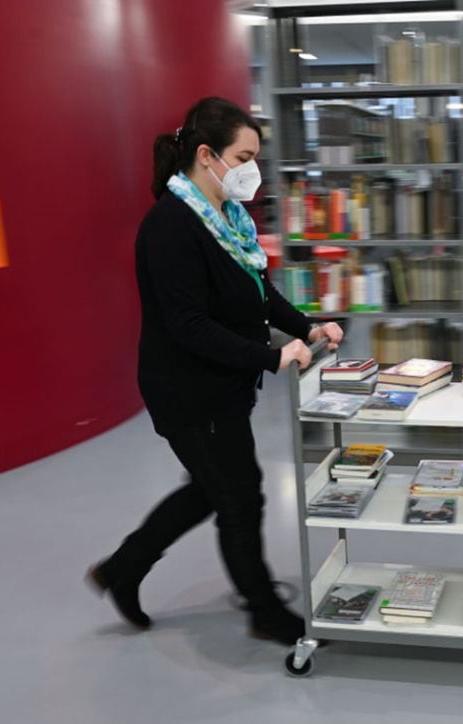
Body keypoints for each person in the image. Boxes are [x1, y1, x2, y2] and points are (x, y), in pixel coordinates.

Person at [86, 97, 342, 646]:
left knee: (211, 488)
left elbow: (258, 290)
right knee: (240, 496)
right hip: (188, 390)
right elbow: (189, 326)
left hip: (220, 385)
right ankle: (264, 611)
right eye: (244, 155)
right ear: (208, 155)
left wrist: (307, 327)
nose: (253, 169)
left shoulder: (226, 215)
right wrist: (272, 357)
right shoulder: (171, 226)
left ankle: (122, 569)